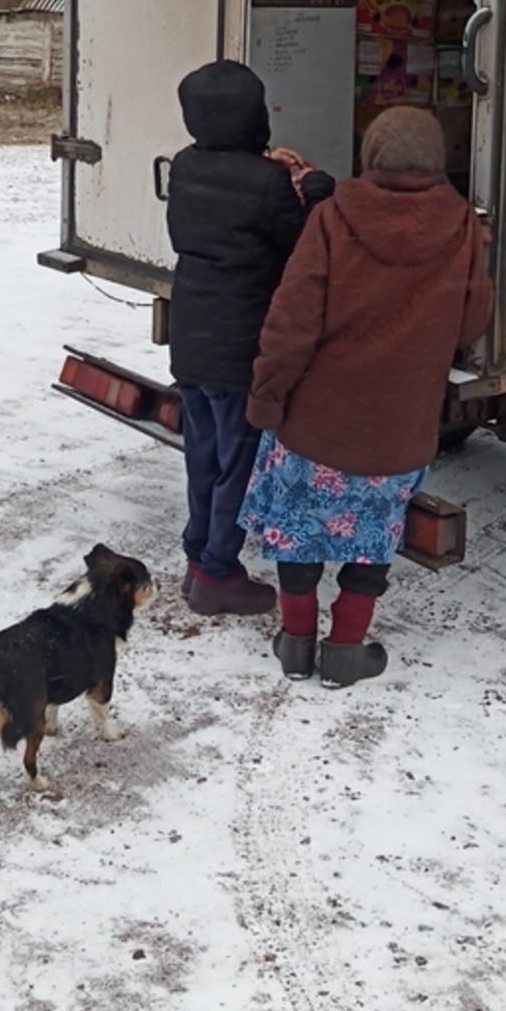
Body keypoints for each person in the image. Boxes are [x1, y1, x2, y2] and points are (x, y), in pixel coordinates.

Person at [240, 105, 493, 687]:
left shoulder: (332, 216)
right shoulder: (460, 225)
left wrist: (267, 397)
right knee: (372, 535)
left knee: (299, 530)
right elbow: (472, 319)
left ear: (370, 155)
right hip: (400, 428)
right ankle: (347, 651)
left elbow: (290, 322)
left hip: (316, 421)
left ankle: (296, 643)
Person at [166, 60, 333, 616]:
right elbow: (300, 241)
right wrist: (314, 188)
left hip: (190, 339)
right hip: (239, 346)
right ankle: (217, 573)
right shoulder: (265, 184)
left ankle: (198, 556)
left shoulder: (185, 166)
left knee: (204, 456)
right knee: (240, 462)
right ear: (254, 116)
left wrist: (267, 165)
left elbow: (229, 189)